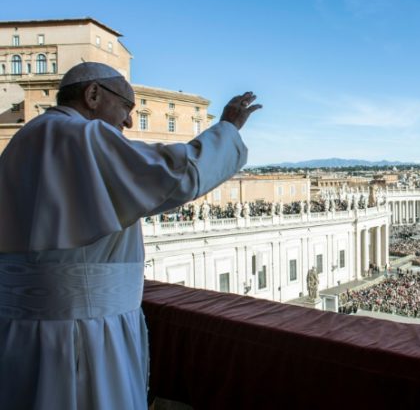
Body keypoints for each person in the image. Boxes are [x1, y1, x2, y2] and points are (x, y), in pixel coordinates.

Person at [0, 62, 261, 409]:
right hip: (82, 334)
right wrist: (227, 129)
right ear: (93, 94)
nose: (126, 122)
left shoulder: (23, 141)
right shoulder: (80, 136)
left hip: (21, 330)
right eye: (126, 107)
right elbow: (176, 175)